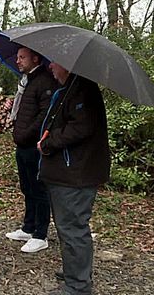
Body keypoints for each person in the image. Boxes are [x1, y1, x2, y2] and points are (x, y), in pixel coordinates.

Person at [38, 62, 111, 295]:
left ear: (68, 65)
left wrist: (49, 143)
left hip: (75, 174)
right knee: (69, 226)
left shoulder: (82, 89)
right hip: (68, 172)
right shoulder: (71, 87)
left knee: (72, 228)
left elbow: (80, 127)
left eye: (54, 63)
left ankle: (78, 286)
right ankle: (76, 271)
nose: (50, 67)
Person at [4, 47, 58, 253]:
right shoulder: (26, 82)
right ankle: (28, 227)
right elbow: (26, 109)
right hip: (23, 144)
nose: (18, 61)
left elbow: (45, 115)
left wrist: (26, 133)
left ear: (35, 58)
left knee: (39, 189)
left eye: (22, 57)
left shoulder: (44, 81)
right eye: (17, 57)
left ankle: (40, 234)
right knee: (27, 187)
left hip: (35, 145)